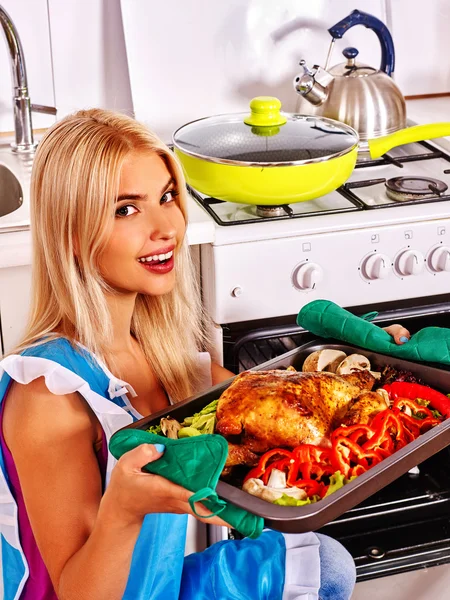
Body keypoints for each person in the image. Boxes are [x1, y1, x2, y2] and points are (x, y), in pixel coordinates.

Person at [0, 109, 356, 600]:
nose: (165, 226)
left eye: (166, 197)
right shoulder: (50, 395)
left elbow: (282, 419)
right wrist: (124, 509)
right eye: (126, 209)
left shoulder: (165, 360)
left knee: (326, 564)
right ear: (74, 236)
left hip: (160, 587)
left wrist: (356, 368)